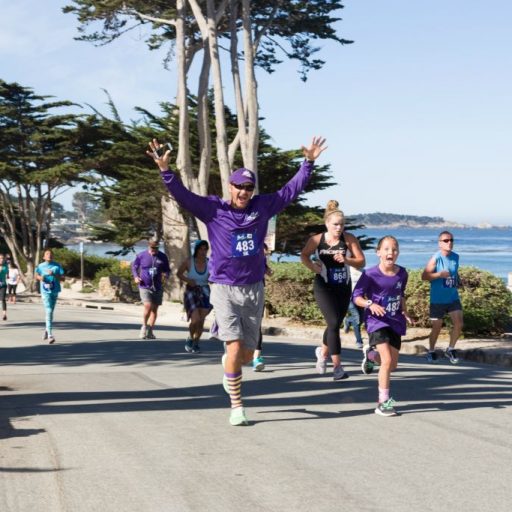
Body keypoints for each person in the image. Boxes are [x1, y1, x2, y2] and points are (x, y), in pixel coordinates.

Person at [148, 136, 327, 426]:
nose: (243, 192)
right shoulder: (214, 209)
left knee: (245, 355)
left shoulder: (262, 207)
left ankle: (230, 368)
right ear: (230, 187)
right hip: (224, 288)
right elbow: (184, 197)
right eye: (239, 186)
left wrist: (308, 163)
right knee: (233, 349)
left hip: (254, 289)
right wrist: (166, 171)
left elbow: (290, 191)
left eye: (248, 187)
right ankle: (237, 406)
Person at [300, 200, 365, 380]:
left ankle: (322, 353)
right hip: (324, 287)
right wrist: (313, 267)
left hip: (343, 287)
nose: (339, 228)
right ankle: (337, 368)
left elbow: (361, 261)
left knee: (333, 324)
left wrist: (346, 260)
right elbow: (304, 255)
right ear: (327, 224)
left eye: (342, 225)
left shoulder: (349, 239)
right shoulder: (317, 240)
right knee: (334, 323)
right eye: (335, 224)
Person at [352, 236, 412, 417]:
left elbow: (401, 294)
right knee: (386, 361)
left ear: (398, 253)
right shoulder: (370, 274)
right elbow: (356, 297)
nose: (390, 252)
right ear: (378, 252)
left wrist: (405, 311)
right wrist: (370, 304)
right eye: (386, 249)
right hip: (376, 321)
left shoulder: (402, 273)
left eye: (394, 249)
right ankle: (383, 403)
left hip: (395, 321)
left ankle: (370, 355)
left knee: (392, 365)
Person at [421, 231, 463, 364]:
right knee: (437, 327)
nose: (449, 242)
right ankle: (431, 351)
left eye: (451, 240)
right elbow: (424, 276)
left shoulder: (456, 257)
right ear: (440, 243)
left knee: (459, 323)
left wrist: (458, 281)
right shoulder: (436, 258)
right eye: (445, 240)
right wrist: (439, 275)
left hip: (452, 297)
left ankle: (450, 349)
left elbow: (454, 273)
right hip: (437, 300)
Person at [177, 239, 212, 353]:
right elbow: (179, 273)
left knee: (201, 320)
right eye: (201, 249)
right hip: (191, 291)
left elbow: (214, 277)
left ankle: (196, 343)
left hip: (205, 291)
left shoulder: (209, 262)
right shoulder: (189, 261)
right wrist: (188, 280)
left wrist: (212, 279)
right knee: (195, 319)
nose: (203, 252)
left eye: (205, 249)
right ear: (196, 250)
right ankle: (191, 337)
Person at [131, 240, 171, 340]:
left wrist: (166, 275)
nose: (154, 250)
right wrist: (136, 277)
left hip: (157, 286)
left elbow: (167, 269)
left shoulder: (162, 256)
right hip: (144, 285)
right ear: (148, 247)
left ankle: (150, 330)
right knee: (148, 306)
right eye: (152, 248)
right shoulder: (141, 255)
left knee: (154, 309)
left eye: (156, 248)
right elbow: (134, 266)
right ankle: (144, 326)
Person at [35, 249, 65, 343]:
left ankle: (47, 330)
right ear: (44, 257)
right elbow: (36, 275)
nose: (49, 255)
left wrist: (54, 275)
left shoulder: (57, 266)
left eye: (51, 254)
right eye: (47, 254)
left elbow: (63, 278)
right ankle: (50, 335)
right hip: (45, 291)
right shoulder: (40, 266)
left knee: (51, 312)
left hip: (55, 291)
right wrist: (41, 278)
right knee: (48, 311)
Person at [252, 243, 273, 371]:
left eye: (265, 252)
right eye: (263, 251)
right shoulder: (247, 261)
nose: (265, 254)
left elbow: (268, 272)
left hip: (258, 296)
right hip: (243, 296)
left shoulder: (263, 261)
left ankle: (256, 358)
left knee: (257, 326)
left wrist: (269, 271)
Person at [344, 266, 364, 349]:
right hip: (349, 298)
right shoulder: (348, 270)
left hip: (360, 298)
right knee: (357, 318)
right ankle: (359, 341)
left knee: (361, 319)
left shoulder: (363, 271)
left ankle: (348, 320)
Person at [0, 254, 8, 321]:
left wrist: (1, 269)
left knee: (3, 299)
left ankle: (4, 314)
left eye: (2, 258)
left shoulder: (5, 266)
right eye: (0, 258)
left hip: (3, 284)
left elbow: (6, 272)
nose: (1, 260)